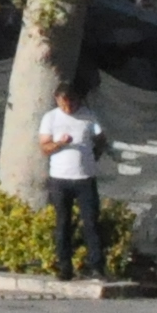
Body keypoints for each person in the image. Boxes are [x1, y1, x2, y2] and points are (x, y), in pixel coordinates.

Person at [36, 84, 106, 281]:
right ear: (57, 100)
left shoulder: (88, 116)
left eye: (72, 103)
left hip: (85, 179)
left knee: (91, 222)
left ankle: (97, 267)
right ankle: (65, 267)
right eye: (64, 104)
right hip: (60, 179)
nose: (69, 108)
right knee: (63, 223)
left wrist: (93, 157)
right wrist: (61, 143)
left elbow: (100, 139)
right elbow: (45, 147)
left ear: (78, 100)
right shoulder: (51, 118)